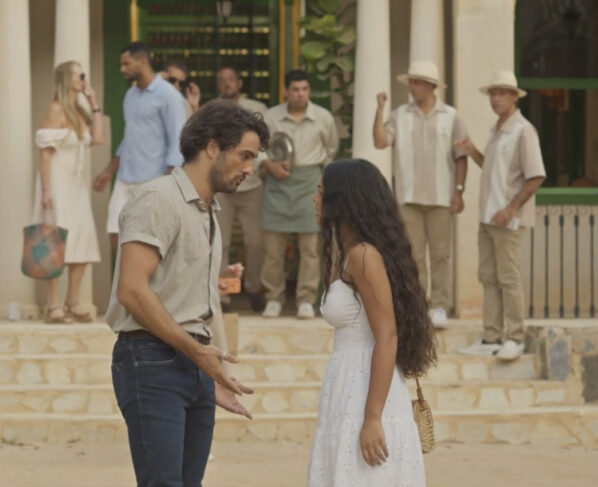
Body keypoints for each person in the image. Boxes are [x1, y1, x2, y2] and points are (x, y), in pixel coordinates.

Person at [106, 100, 269, 486]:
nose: (250, 168)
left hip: (193, 365)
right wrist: (195, 351)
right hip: (152, 359)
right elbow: (131, 290)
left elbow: (191, 299)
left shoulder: (208, 210)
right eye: (244, 155)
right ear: (212, 146)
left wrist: (210, 372)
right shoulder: (158, 198)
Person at [308, 159, 435, 486]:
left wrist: (372, 417)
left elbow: (387, 335)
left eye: (321, 192)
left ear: (343, 200)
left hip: (367, 386)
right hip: (348, 382)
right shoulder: (349, 253)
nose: (314, 198)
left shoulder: (364, 255)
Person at [456, 70, 545, 360]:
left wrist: (510, 209)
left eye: (501, 93)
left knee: (508, 278)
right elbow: (494, 170)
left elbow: (535, 177)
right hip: (488, 218)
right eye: (493, 94)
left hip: (508, 220)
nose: (495, 99)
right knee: (489, 277)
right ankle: (491, 337)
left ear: (513, 97)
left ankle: (515, 338)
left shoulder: (523, 131)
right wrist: (472, 152)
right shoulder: (497, 130)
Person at [373, 60, 469, 328]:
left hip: (441, 196)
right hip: (408, 196)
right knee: (412, 255)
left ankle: (438, 306)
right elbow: (380, 141)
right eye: (411, 82)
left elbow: (461, 157)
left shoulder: (451, 116)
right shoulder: (399, 114)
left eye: (416, 82)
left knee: (440, 255)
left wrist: (459, 191)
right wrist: (379, 111)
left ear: (430, 86)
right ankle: (418, 307)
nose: (412, 87)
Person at [93, 42, 186, 260]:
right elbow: (128, 138)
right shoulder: (130, 96)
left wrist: (169, 182)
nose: (122, 69)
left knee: (150, 239)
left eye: (126, 63)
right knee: (115, 234)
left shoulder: (169, 95)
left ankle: (148, 287)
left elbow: (178, 138)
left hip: (153, 179)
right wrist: (108, 172)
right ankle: (127, 284)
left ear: (143, 61)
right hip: (125, 178)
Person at [260, 69, 339, 319]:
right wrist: (269, 165)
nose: (300, 94)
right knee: (273, 248)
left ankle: (306, 299)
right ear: (286, 91)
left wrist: (321, 179)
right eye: (295, 89)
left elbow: (331, 149)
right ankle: (273, 298)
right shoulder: (270, 116)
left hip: (310, 182)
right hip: (277, 182)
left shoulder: (323, 117)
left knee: (310, 247)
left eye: (305, 89)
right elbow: (257, 148)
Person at [32, 61, 104, 323]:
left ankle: (72, 301)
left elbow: (97, 139)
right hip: (57, 184)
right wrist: (47, 190)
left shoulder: (79, 110)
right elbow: (45, 154)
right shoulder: (56, 109)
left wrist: (93, 101)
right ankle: (53, 306)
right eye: (78, 75)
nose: (83, 78)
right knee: (53, 241)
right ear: (67, 79)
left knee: (81, 240)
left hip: (76, 186)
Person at [215, 65, 268, 312]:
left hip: (252, 184)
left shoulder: (258, 109)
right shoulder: (212, 110)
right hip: (222, 187)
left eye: (230, 80)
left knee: (256, 241)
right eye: (222, 81)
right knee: (220, 243)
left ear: (239, 83)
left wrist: (261, 167)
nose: (227, 84)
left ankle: (254, 287)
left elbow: (267, 144)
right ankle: (224, 295)